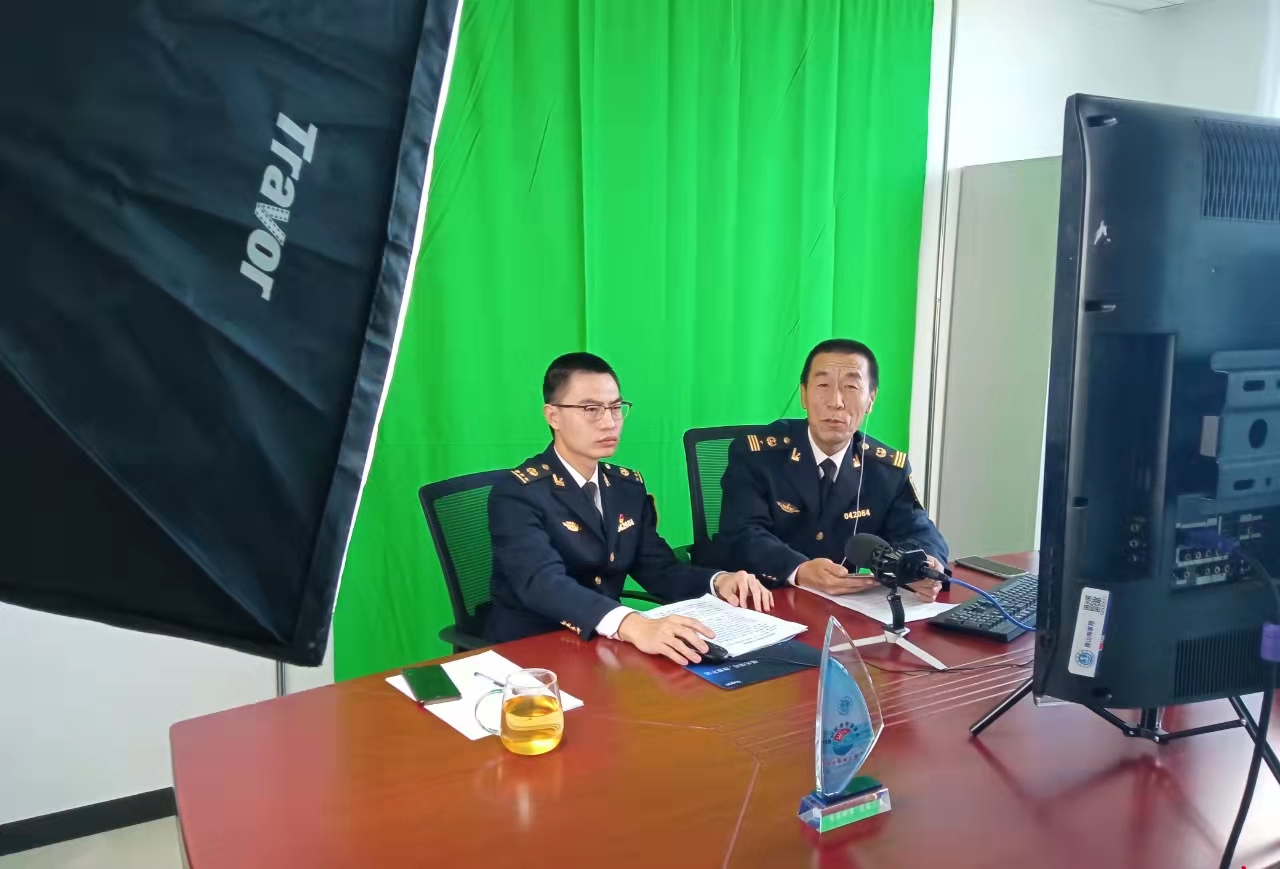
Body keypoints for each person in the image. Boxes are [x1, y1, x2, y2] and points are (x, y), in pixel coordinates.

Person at [486, 352, 772, 664]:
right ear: (553, 416)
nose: (609, 423)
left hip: (604, 647)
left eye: (615, 408)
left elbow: (659, 569)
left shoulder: (626, 487)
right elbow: (542, 583)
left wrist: (718, 582)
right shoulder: (517, 493)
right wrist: (631, 623)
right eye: (591, 410)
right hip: (534, 650)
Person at [708, 338, 948, 602]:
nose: (836, 402)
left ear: (871, 399)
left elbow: (918, 530)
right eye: (823, 385)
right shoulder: (757, 455)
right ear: (803, 394)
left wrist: (925, 564)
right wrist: (799, 569)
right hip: (765, 599)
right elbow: (741, 534)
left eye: (851, 387)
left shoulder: (886, 469)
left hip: (846, 606)